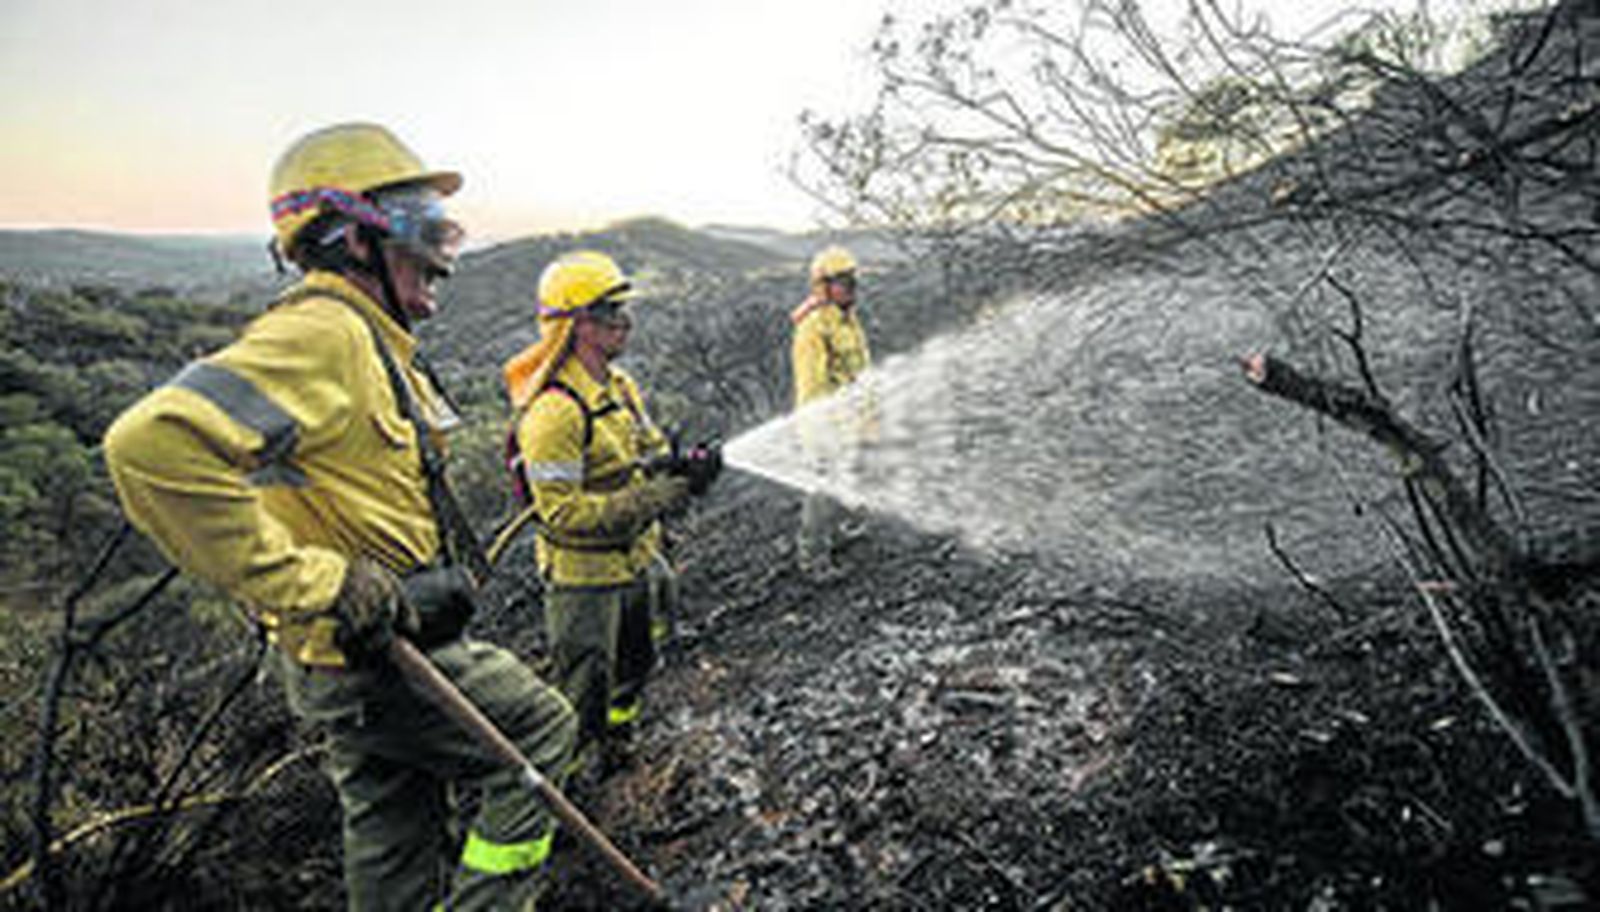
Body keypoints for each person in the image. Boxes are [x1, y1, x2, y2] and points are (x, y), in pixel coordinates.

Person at [102, 122, 575, 911]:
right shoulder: (323, 333)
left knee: (392, 840)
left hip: (358, 655)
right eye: (423, 226)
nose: (444, 253)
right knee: (538, 733)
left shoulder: (365, 336)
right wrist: (321, 583)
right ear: (354, 239)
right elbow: (147, 445)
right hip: (372, 652)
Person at [503, 250, 720, 770]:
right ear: (575, 325)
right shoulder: (554, 413)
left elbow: (643, 452)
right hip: (586, 579)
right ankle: (571, 785)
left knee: (637, 662)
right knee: (583, 689)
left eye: (622, 307)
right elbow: (561, 516)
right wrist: (660, 496)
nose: (624, 320)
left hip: (638, 558)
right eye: (608, 310)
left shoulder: (621, 389)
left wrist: (682, 466)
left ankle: (619, 741)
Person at [790, 244, 874, 579]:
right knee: (821, 491)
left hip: (851, 421)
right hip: (825, 424)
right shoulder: (814, 327)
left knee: (844, 480)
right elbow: (812, 386)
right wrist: (821, 431)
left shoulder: (847, 320)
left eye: (853, 280)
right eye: (843, 281)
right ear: (823, 286)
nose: (851, 287)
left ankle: (837, 536)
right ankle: (813, 559)